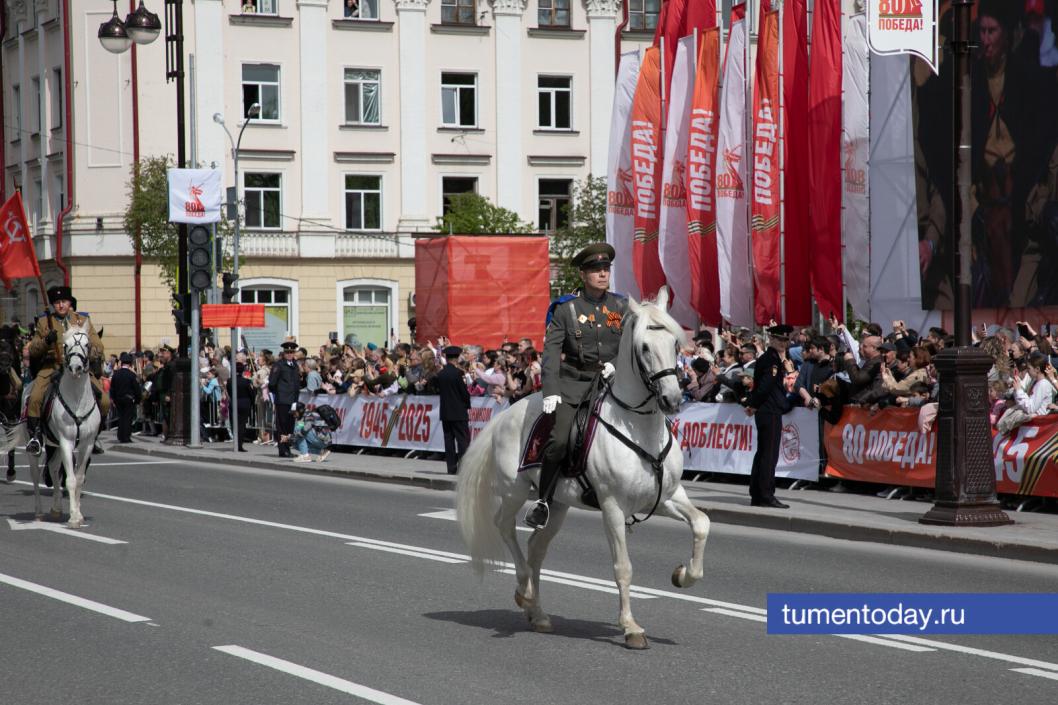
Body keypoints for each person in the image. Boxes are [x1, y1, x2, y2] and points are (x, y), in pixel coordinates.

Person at [524, 243, 627, 529]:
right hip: (574, 383)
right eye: (596, 270)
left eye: (606, 269)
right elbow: (550, 353)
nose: (602, 274)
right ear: (583, 274)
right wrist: (551, 390)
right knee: (560, 440)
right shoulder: (566, 309)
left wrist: (615, 363)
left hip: (612, 382)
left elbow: (632, 343)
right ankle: (543, 501)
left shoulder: (621, 306)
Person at [25, 286, 108, 456]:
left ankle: (95, 435)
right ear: (53, 305)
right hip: (53, 367)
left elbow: (98, 344)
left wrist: (89, 350)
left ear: (70, 303)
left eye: (64, 301)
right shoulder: (44, 322)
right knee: (35, 397)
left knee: (105, 401)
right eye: (57, 302)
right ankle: (36, 436)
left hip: (79, 368)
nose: (61, 305)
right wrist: (46, 341)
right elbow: (33, 349)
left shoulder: (82, 320)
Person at [744, 325, 794, 509]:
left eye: (785, 340)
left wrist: (753, 404)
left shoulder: (770, 358)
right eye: (779, 339)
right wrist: (754, 404)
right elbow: (765, 386)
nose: (783, 343)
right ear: (771, 339)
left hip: (766, 409)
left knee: (764, 452)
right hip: (770, 410)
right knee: (769, 454)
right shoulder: (772, 360)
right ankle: (766, 494)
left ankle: (757, 493)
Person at [436, 345, 471, 474]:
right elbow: (464, 392)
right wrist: (467, 405)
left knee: (449, 440)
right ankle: (464, 467)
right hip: (459, 411)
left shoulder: (441, 374)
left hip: (445, 411)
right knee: (462, 440)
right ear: (456, 358)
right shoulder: (458, 373)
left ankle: (451, 467)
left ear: (446, 358)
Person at [269, 338, 302, 458]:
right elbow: (272, 383)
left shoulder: (295, 365)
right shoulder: (279, 365)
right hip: (283, 400)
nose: (289, 354)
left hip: (293, 400)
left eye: (291, 352)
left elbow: (296, 383)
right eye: (287, 352)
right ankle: (283, 450)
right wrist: (279, 394)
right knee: (282, 426)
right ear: (284, 353)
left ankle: (287, 448)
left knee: (290, 426)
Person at [109, 352, 141, 443]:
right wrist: (138, 399)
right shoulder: (132, 375)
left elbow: (112, 388)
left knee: (121, 417)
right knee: (127, 418)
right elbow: (136, 388)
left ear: (122, 363)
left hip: (118, 399)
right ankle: (126, 436)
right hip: (129, 399)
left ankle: (120, 435)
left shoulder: (116, 374)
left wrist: (112, 398)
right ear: (130, 364)